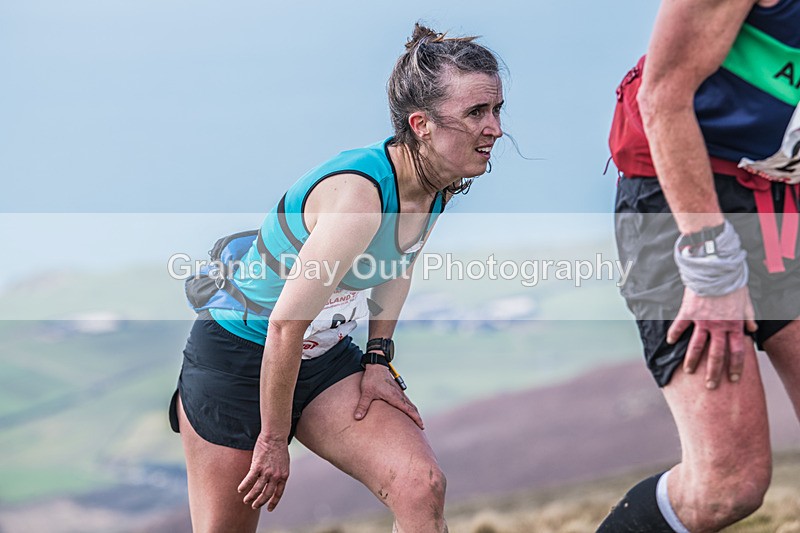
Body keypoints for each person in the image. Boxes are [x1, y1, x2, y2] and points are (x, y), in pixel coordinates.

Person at [168, 23, 505, 533]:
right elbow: (284, 325)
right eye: (477, 113)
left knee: (420, 485)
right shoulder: (359, 199)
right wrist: (273, 440)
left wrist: (377, 359)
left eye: (497, 109)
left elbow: (397, 266)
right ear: (421, 124)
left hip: (321, 358)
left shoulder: (436, 180)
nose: (495, 128)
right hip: (240, 360)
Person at [599, 0, 800, 531]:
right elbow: (662, 98)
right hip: (680, 197)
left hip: (780, 194)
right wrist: (713, 266)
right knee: (728, 484)